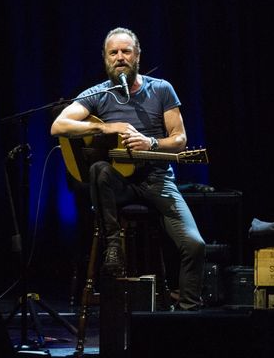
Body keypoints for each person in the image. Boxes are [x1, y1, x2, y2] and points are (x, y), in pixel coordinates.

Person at [51, 27, 205, 310]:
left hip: (157, 180)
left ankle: (188, 313)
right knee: (99, 169)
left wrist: (150, 143)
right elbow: (58, 125)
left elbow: (180, 140)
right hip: (118, 185)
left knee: (195, 245)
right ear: (105, 58)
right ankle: (113, 246)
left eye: (126, 51)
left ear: (137, 57)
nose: (120, 57)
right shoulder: (98, 94)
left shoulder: (160, 89)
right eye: (114, 53)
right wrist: (105, 126)